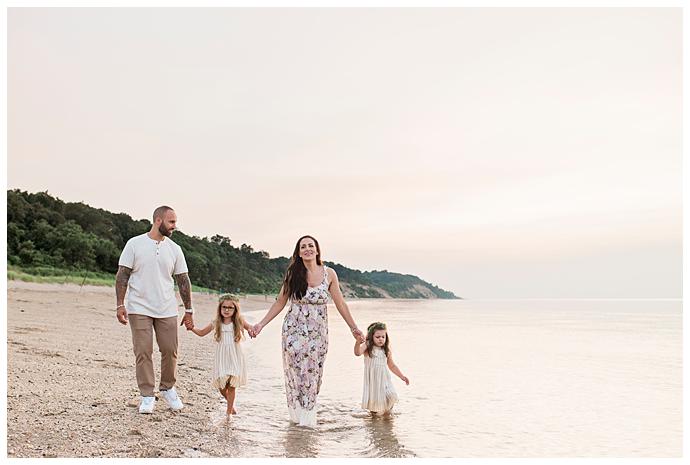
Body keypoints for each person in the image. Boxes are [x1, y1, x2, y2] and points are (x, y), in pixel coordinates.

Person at [251, 235, 365, 427]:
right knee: (296, 372)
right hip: (293, 330)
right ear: (299, 252)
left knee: (313, 374)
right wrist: (261, 324)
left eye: (310, 245)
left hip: (318, 333)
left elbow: (340, 303)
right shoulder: (293, 273)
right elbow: (280, 302)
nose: (307, 249)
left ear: (317, 250)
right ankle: (301, 420)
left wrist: (354, 328)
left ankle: (305, 417)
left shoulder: (330, 274)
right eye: (303, 247)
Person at [115, 206, 194, 414]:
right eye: (171, 222)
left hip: (167, 308)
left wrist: (189, 309)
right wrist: (120, 304)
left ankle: (168, 388)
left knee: (170, 350)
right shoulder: (134, 244)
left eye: (175, 222)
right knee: (143, 351)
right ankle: (147, 396)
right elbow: (122, 275)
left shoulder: (175, 249)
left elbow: (183, 280)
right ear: (158, 221)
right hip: (139, 306)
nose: (175, 226)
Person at [189, 294, 252, 416]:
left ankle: (228, 414)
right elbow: (202, 333)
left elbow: (251, 328)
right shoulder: (216, 322)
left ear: (235, 309)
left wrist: (255, 329)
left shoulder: (239, 321)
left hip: (235, 356)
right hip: (222, 357)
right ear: (220, 308)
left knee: (232, 385)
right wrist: (191, 328)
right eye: (224, 307)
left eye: (230, 308)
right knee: (222, 386)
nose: (227, 310)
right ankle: (231, 405)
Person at [354, 322, 409, 415]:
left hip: (384, 379)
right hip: (374, 381)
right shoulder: (368, 347)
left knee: (392, 395)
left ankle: (388, 416)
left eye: (383, 337)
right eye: (378, 337)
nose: (381, 339)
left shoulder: (386, 350)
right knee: (375, 406)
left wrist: (402, 376)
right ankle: (374, 422)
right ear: (372, 337)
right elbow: (358, 353)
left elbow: (392, 365)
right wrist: (358, 342)